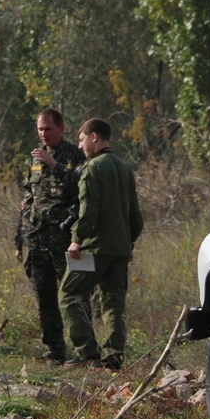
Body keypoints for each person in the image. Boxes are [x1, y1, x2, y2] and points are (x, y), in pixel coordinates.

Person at [59, 118, 143, 370]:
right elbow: (135, 216)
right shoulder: (124, 168)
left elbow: (89, 210)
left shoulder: (93, 168)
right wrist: (127, 243)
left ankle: (86, 351)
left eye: (82, 140)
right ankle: (113, 357)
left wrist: (76, 240)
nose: (81, 146)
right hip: (119, 249)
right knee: (113, 302)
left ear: (94, 137)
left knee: (69, 293)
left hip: (94, 248)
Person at [14, 108, 86, 363]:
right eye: (40, 129)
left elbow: (81, 190)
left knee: (73, 297)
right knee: (44, 297)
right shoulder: (33, 158)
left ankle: (83, 350)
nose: (43, 133)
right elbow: (27, 199)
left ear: (61, 128)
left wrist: (54, 165)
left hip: (64, 240)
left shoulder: (76, 156)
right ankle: (54, 350)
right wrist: (19, 238)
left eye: (48, 128)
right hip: (36, 238)